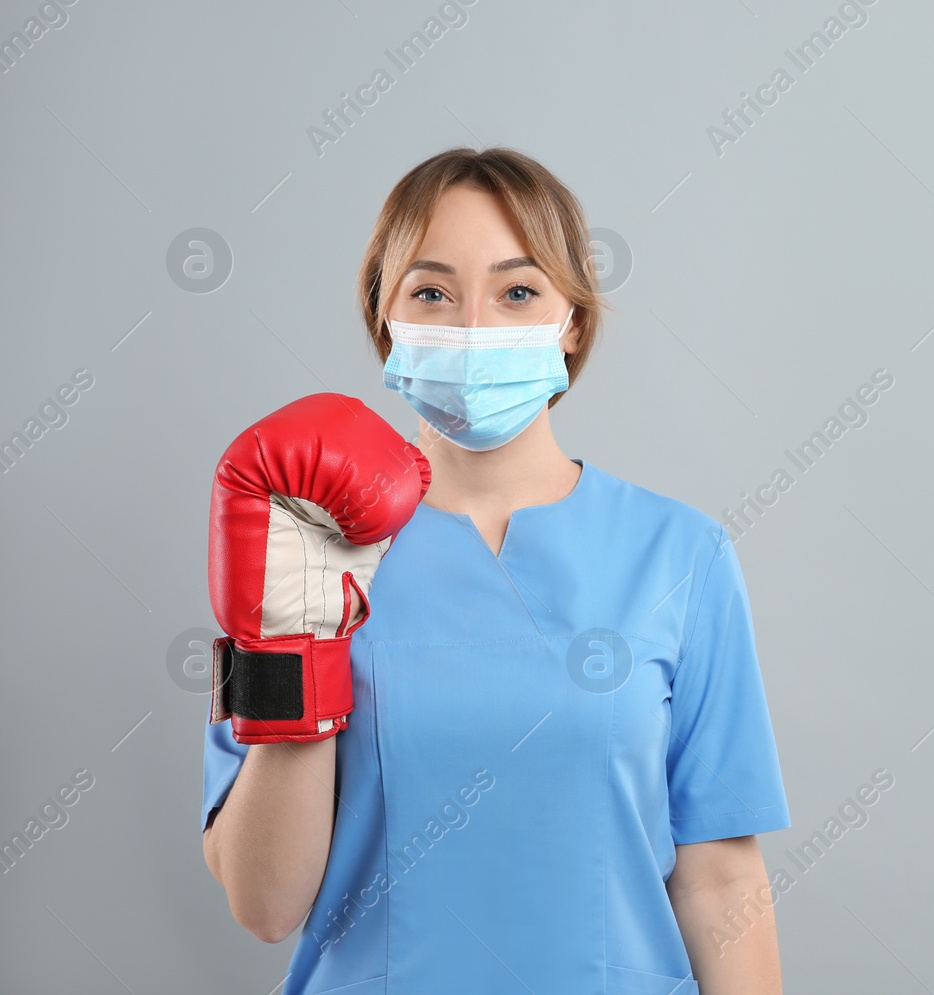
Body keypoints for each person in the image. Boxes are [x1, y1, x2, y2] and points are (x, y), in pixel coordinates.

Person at [200, 147, 791, 995]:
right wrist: (299, 633)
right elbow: (264, 905)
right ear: (385, 313)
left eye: (518, 291)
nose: (474, 326)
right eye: (433, 291)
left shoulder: (681, 554)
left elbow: (723, 878)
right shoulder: (298, 546)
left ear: (573, 320)